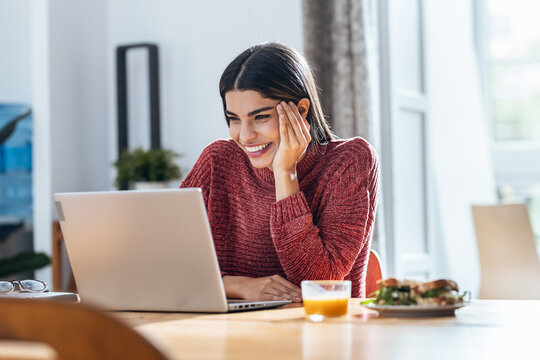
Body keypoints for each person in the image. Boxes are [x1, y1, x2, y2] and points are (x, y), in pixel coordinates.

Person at [181, 42, 379, 302]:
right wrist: (239, 286)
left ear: (301, 111)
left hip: (323, 334)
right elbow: (166, 263)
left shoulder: (350, 162)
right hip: (230, 333)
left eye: (260, 117)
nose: (245, 135)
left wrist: (285, 172)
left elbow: (319, 282)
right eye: (234, 119)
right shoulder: (217, 160)